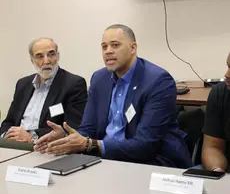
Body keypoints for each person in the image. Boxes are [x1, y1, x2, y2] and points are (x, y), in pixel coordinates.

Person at [34, 25, 191, 168]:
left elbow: (145, 145)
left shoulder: (158, 81)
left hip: (152, 162)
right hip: (106, 159)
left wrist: (90, 144)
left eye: (115, 45)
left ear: (133, 48)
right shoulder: (99, 78)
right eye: (104, 47)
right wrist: (67, 137)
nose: (108, 51)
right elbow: (88, 129)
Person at [0, 38, 87, 143]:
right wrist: (7, 136)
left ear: (58, 56)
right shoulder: (23, 84)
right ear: (32, 60)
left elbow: (72, 127)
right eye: (39, 56)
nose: (46, 61)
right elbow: (9, 122)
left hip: (46, 148)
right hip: (15, 145)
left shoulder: (73, 84)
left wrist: (32, 136)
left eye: (51, 54)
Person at [202, 53, 230, 173]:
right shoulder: (219, 93)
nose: (227, 74)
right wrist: (217, 170)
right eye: (228, 66)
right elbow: (213, 147)